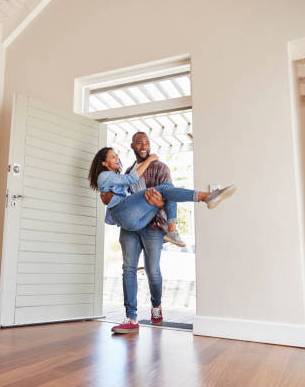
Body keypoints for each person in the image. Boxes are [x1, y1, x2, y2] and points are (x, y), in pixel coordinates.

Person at [93, 132, 235, 333]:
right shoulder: (127, 171)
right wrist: (107, 197)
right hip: (130, 225)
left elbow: (169, 194)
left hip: (151, 225)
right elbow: (115, 194)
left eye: (147, 143)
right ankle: (131, 319)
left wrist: (162, 208)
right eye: (139, 143)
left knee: (153, 271)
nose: (144, 146)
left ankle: (156, 305)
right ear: (132, 146)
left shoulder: (160, 167)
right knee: (128, 269)